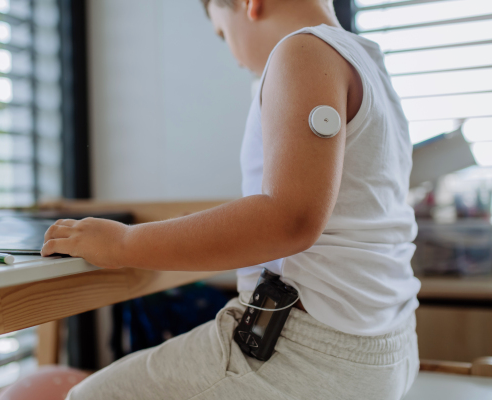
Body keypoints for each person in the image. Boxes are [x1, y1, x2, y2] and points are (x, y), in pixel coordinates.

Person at [39, 0, 421, 399]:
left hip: (310, 355)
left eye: (223, 34)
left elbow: (288, 220)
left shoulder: (302, 52)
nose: (236, 58)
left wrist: (123, 243)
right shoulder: (369, 62)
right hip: (387, 343)